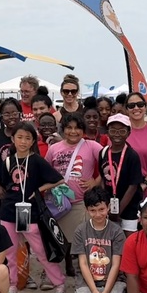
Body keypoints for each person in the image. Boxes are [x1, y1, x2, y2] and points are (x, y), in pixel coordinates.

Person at [0, 122, 65, 293]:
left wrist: (39, 189)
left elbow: (58, 179)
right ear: (13, 139)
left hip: (30, 211)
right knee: (9, 252)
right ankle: (12, 286)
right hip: (9, 210)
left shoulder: (37, 160)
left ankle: (60, 285)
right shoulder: (8, 161)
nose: (23, 141)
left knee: (41, 251)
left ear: (33, 140)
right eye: (20, 137)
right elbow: (6, 183)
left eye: (27, 138)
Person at [45, 112, 103, 273]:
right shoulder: (54, 149)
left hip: (81, 202)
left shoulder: (92, 146)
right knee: (63, 237)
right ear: (63, 129)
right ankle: (68, 265)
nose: (73, 131)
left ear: (83, 130)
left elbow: (108, 162)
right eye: (69, 128)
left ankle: (82, 268)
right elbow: (45, 171)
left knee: (82, 238)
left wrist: (95, 181)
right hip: (59, 203)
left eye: (77, 128)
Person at [70, 188, 126, 293]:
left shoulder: (116, 231)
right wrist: (94, 290)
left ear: (108, 208)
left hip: (113, 280)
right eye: (93, 211)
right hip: (88, 281)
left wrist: (106, 292)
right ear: (86, 210)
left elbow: (116, 265)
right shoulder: (81, 230)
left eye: (101, 209)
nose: (98, 214)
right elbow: (82, 263)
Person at [97, 114, 143, 233]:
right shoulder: (103, 152)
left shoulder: (132, 155)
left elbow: (133, 186)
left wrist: (118, 210)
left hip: (129, 207)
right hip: (109, 207)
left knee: (129, 241)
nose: (117, 134)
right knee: (111, 241)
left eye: (122, 131)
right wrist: (106, 204)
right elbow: (102, 179)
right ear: (107, 132)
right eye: (113, 130)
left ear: (128, 133)